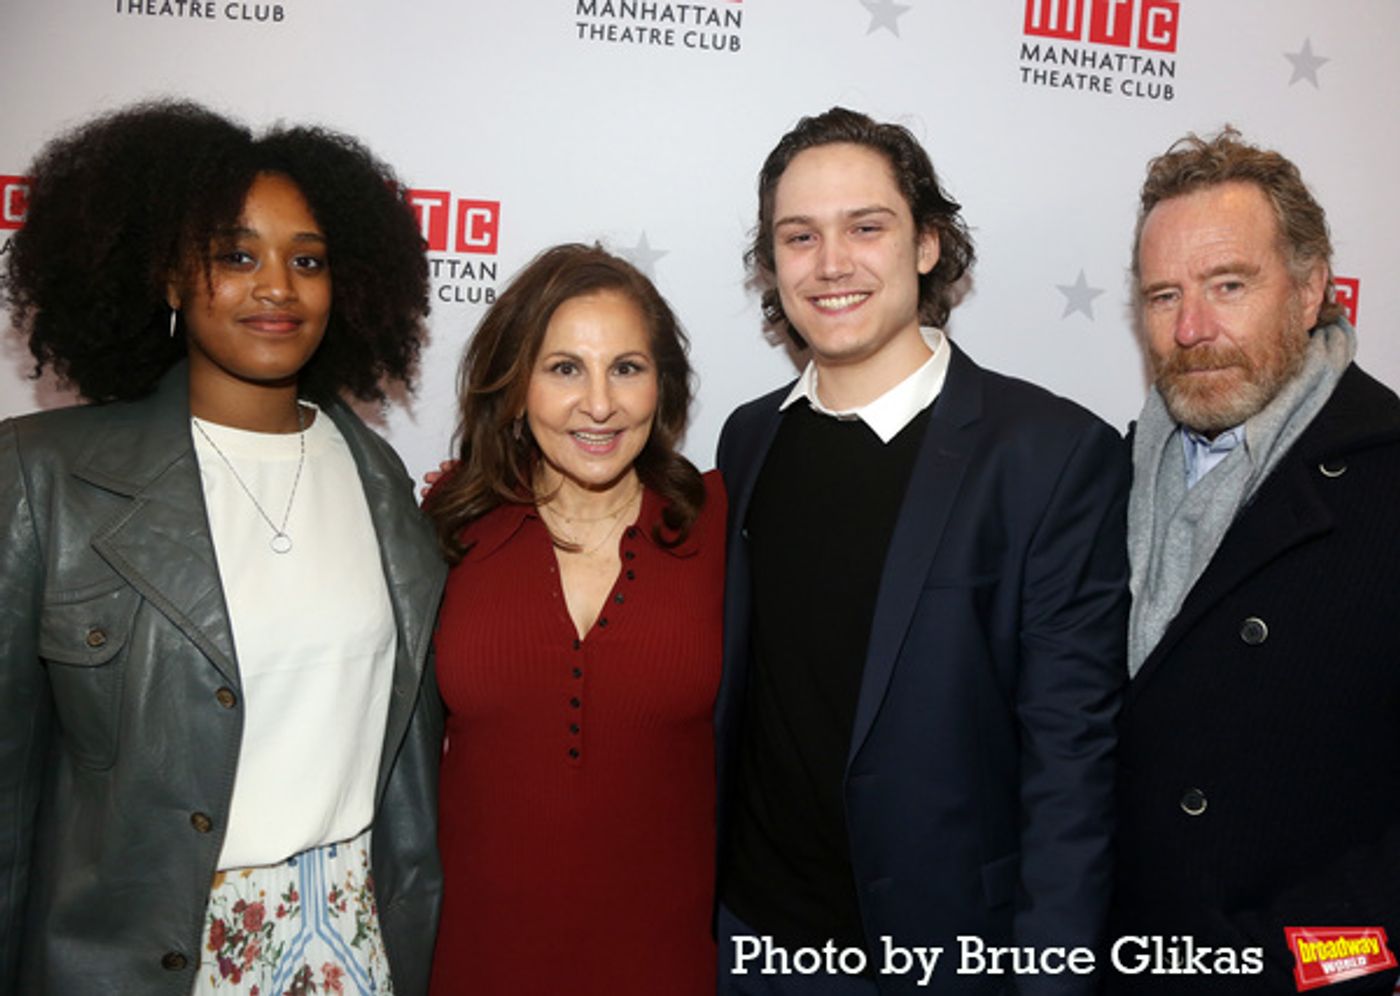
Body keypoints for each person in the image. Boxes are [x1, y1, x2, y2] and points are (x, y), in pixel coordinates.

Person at [0, 101, 445, 996]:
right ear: (168, 279)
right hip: (146, 958)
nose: (276, 286)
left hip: (352, 943)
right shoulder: (42, 478)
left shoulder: (380, 481)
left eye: (307, 260)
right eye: (236, 256)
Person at [714, 107, 1130, 995]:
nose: (831, 264)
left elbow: (1072, 763)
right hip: (749, 944)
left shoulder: (1050, 456)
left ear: (930, 245)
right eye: (799, 236)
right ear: (771, 262)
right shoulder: (749, 441)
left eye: (867, 227)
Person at [1110, 128, 1400, 994]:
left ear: (1312, 291)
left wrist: (1298, 968)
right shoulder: (1107, 475)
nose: (1192, 329)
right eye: (1164, 296)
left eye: (1229, 285)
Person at [423, 243, 724, 995]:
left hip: (666, 965)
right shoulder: (447, 528)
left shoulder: (721, 523)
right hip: (475, 961)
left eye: (627, 367)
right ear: (516, 384)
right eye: (564, 368)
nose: (599, 403)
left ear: (663, 386)